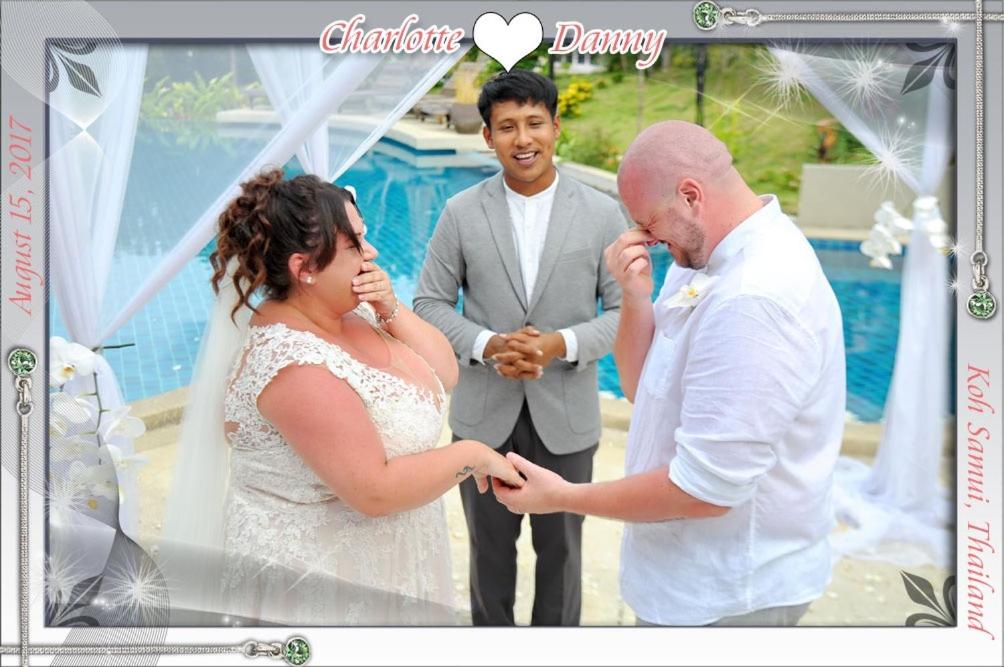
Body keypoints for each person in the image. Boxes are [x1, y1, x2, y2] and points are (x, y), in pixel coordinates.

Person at [494, 120, 846, 627]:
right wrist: (634, 296)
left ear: (690, 196)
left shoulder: (753, 299)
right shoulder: (703, 254)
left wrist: (562, 496)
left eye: (649, 223)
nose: (647, 240)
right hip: (686, 576)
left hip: (730, 592)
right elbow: (641, 387)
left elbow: (704, 491)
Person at [161, 169, 522, 626]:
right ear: (305, 269)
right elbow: (374, 491)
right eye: (354, 244)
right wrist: (472, 455)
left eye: (364, 236)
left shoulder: (356, 309)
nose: (371, 253)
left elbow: (445, 372)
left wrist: (390, 306)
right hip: (321, 586)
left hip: (390, 565)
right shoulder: (293, 365)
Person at [413, 70, 628, 626]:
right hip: (483, 417)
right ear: (487, 136)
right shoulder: (461, 211)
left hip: (567, 418)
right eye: (507, 126)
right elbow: (429, 303)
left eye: (535, 123)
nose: (523, 138)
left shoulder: (602, 212)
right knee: (488, 558)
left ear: (556, 127)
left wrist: (560, 344)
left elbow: (625, 312)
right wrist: (488, 344)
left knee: (562, 558)